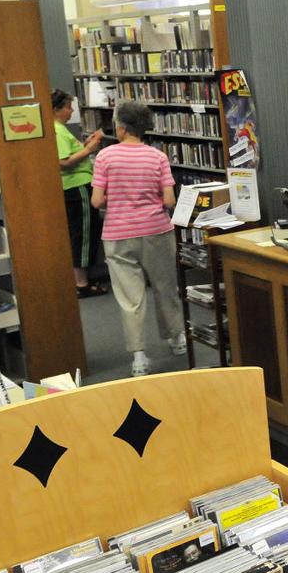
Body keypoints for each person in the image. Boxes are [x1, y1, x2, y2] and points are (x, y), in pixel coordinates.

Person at [90, 101, 184, 376]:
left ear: (120, 128)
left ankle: (139, 357)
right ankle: (176, 338)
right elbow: (169, 199)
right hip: (156, 229)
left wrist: (116, 198)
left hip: (118, 234)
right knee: (165, 286)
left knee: (129, 297)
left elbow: (96, 201)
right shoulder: (158, 157)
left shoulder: (105, 157)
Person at [52, 89, 107, 298]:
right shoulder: (57, 130)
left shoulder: (60, 130)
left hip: (77, 185)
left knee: (82, 232)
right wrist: (90, 149)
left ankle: (82, 280)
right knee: (83, 233)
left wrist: (84, 146)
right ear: (56, 109)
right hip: (77, 187)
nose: (71, 110)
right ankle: (82, 284)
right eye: (67, 107)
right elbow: (63, 162)